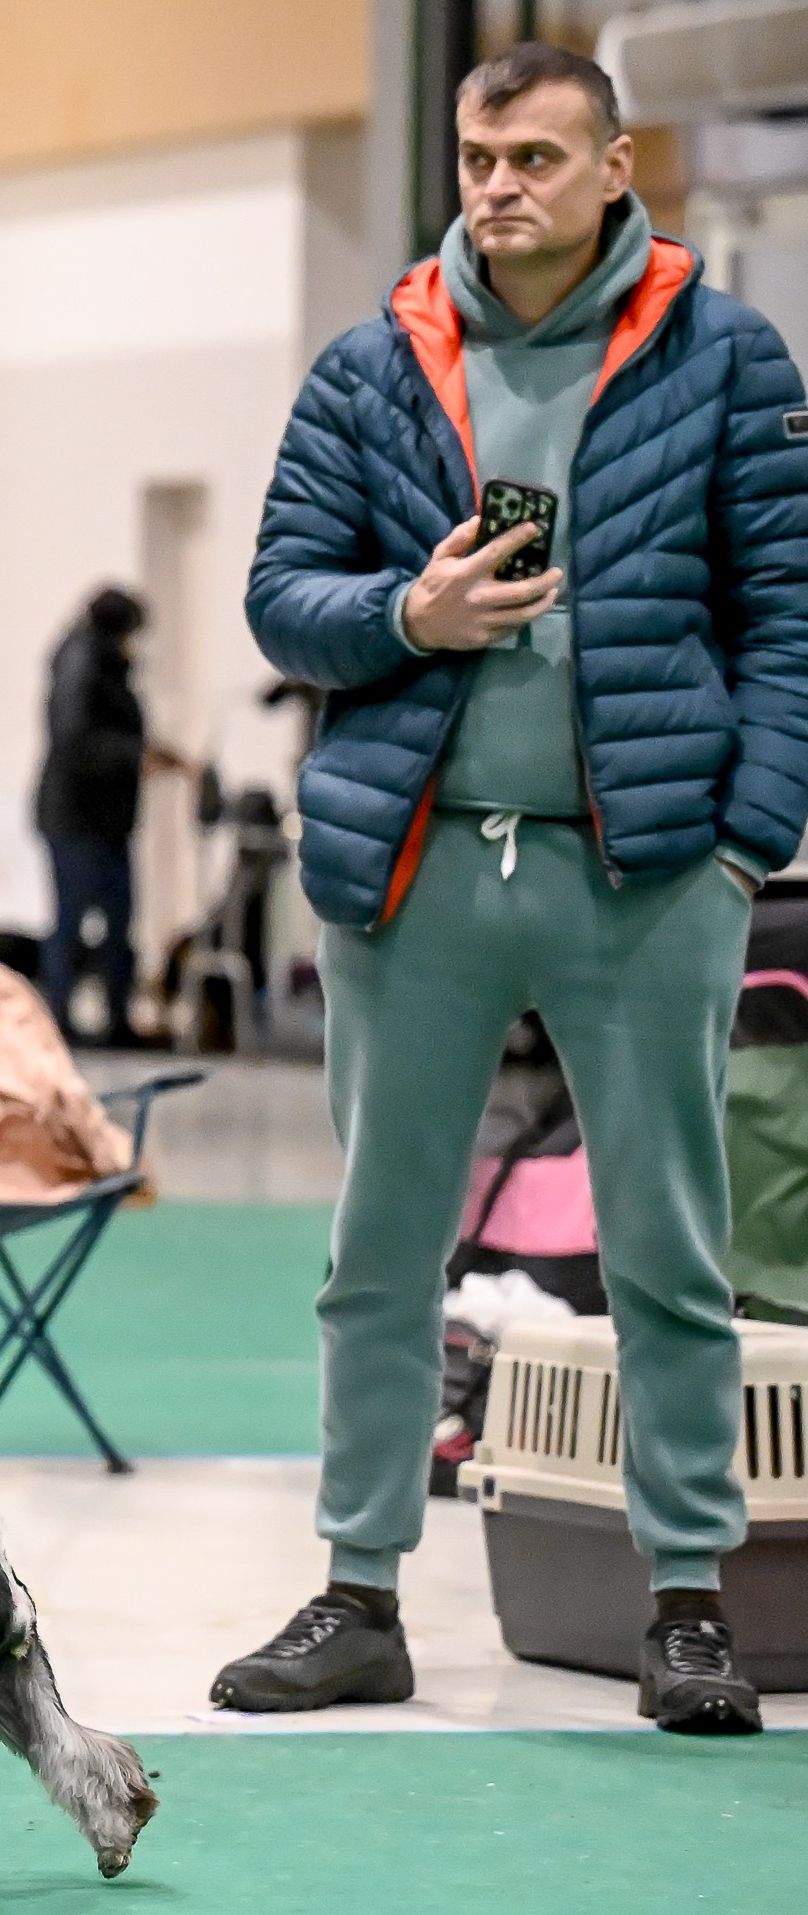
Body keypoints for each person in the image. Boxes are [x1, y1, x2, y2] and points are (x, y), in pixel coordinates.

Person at [225, 44, 808, 1734]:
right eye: (481, 155)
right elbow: (279, 598)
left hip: (644, 879)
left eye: (539, 157)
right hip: (413, 875)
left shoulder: (726, 356)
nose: (501, 185)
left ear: (614, 165)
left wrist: (739, 846)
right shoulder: (371, 364)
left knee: (673, 1253)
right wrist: (408, 621)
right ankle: (358, 1592)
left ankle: (688, 1601)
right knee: (377, 1251)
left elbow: (786, 617)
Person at [33, 586, 188, 1043]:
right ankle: (57, 1017)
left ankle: (114, 1016)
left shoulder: (100, 663)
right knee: (72, 919)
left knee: (117, 918)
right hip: (77, 817)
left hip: (103, 817)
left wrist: (147, 752)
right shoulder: (82, 662)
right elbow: (75, 737)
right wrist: (133, 756)